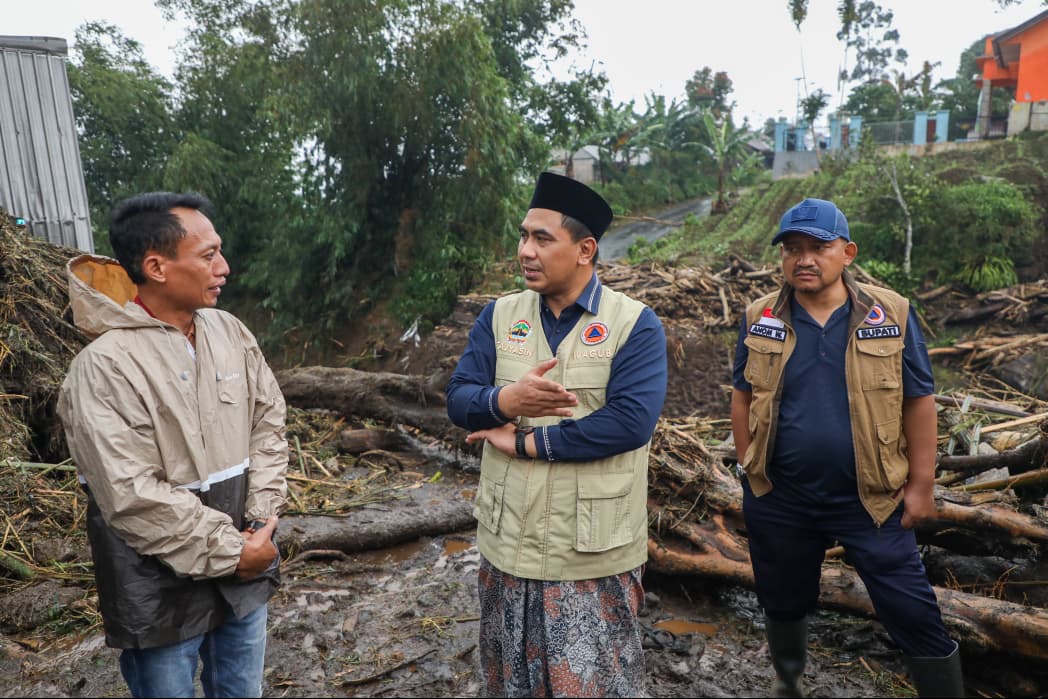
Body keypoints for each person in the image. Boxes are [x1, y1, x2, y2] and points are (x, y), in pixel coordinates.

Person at [730, 197, 965, 698]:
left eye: (819, 247)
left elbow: (919, 399)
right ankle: (788, 685)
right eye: (792, 249)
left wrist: (922, 484)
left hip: (873, 498)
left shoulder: (890, 313)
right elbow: (743, 394)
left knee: (911, 608)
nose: (804, 259)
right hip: (782, 497)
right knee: (782, 599)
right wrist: (751, 467)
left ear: (847, 253)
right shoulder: (760, 315)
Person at [57, 192, 288, 698]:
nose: (224, 267)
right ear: (156, 267)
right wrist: (235, 550)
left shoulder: (229, 333)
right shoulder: (103, 368)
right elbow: (130, 494)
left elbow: (268, 423)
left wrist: (259, 521)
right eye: (208, 255)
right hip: (154, 582)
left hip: (244, 564)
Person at [446, 172, 667, 697]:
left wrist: (527, 441)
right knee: (511, 684)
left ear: (585, 249)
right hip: (508, 547)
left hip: (589, 553)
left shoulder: (634, 325)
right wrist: (505, 401)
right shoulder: (500, 315)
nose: (526, 251)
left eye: (542, 239)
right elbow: (458, 397)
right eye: (524, 236)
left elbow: (630, 423)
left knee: (592, 686)